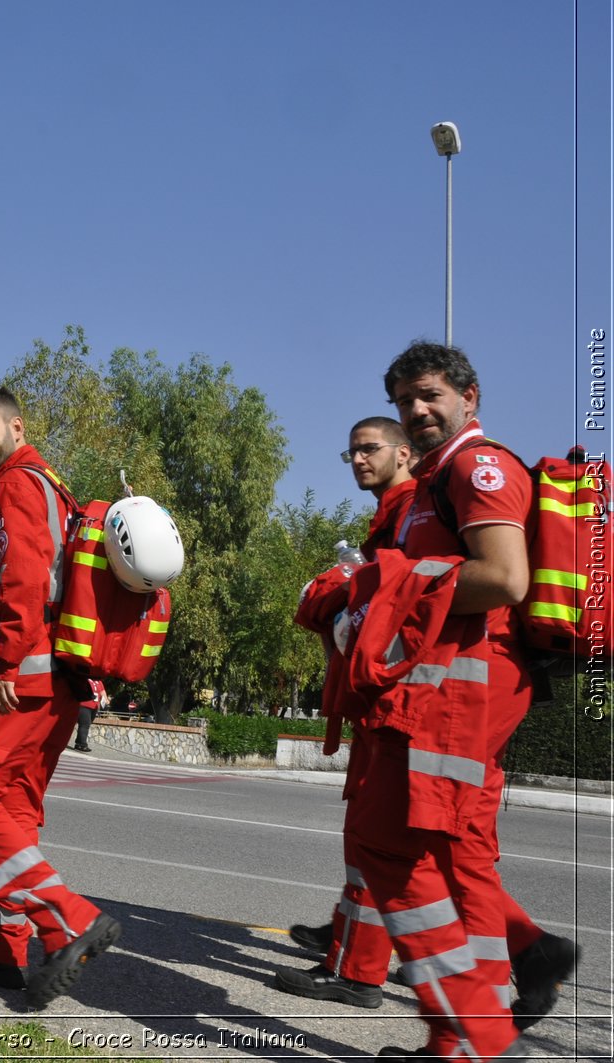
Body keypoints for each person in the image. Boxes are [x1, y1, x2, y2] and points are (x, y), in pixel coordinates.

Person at [346, 343, 577, 1061]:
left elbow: (504, 577)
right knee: (442, 854)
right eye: (404, 401)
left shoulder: (479, 468)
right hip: (441, 689)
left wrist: (387, 586)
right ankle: (467, 1030)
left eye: (429, 395)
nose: (416, 411)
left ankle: (475, 1036)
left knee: (392, 847)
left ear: (469, 398)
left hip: (462, 692)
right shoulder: (435, 481)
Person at [0, 386, 121, 1010]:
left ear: (16, 427)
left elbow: (26, 575)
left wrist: (9, 661)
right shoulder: (46, 484)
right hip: (51, 682)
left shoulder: (19, 484)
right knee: (11, 811)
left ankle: (66, 920)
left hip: (22, 679)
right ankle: (0, 946)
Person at [277, 415, 416, 1008]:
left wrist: (340, 591)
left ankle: (360, 969)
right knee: (400, 848)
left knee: (377, 844)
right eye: (350, 452)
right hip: (390, 702)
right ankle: (360, 943)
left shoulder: (414, 512)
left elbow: (394, 608)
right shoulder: (394, 515)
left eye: (369, 449)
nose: (358, 459)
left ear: (404, 453)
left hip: (404, 705)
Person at [72, 678, 105, 752]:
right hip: (84, 705)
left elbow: (102, 692)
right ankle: (82, 744)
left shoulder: (99, 681)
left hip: (94, 707)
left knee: (86, 724)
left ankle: (78, 743)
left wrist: (105, 700)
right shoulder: (86, 678)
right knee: (85, 724)